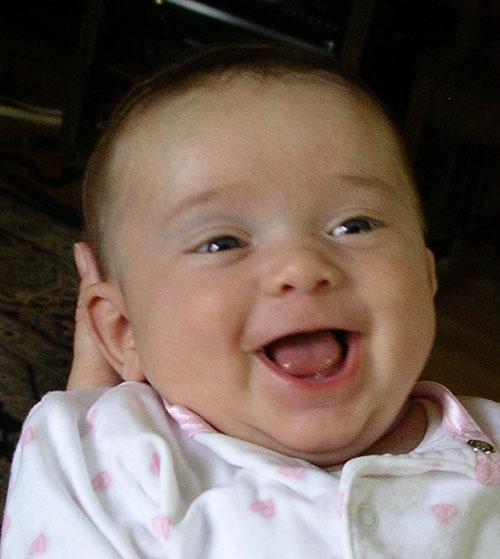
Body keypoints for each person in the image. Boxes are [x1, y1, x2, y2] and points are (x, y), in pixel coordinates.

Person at [2, 42, 500, 559]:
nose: (301, 267)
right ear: (125, 331)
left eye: (355, 225)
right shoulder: (98, 454)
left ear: (425, 274)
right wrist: (87, 420)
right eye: (222, 243)